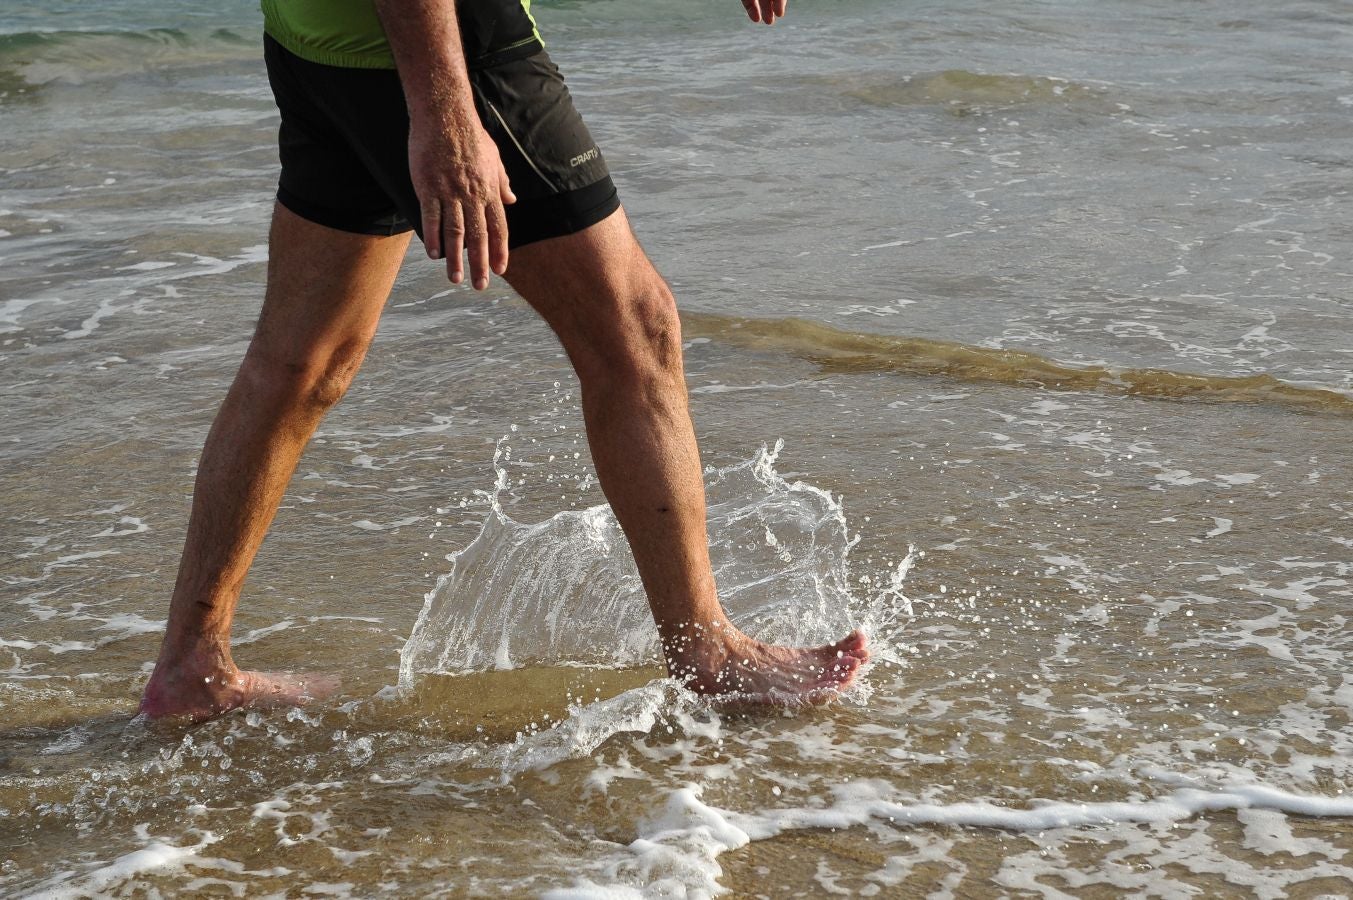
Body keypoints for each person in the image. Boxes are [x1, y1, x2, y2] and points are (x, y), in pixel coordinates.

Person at [139, 0, 869, 722]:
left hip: (317, 41)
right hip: (441, 44)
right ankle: (706, 652)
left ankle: (190, 665)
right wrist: (446, 113)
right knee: (634, 334)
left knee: (300, 365)